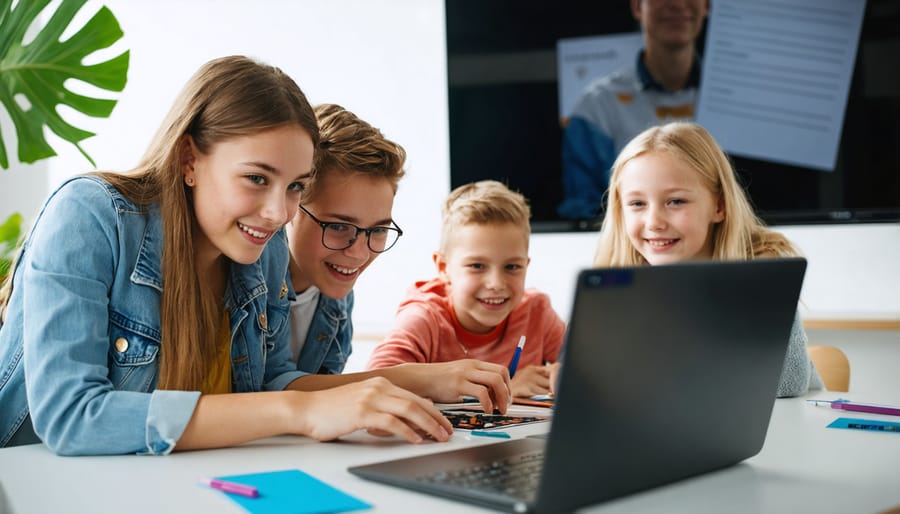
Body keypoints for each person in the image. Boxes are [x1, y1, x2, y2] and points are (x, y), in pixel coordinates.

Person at [0, 55, 454, 455]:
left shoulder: (265, 247)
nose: (279, 212)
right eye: (257, 178)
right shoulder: (91, 215)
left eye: (295, 185)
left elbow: (273, 379)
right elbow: (71, 416)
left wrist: (381, 392)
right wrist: (298, 410)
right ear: (189, 159)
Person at [282, 104, 511, 411]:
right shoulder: (250, 279)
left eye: (378, 230)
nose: (360, 253)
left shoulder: (336, 292)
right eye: (338, 227)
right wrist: (416, 378)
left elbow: (320, 400)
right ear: (289, 205)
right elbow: (266, 390)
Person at [590, 121, 823, 397]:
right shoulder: (617, 284)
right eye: (637, 204)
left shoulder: (762, 270)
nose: (653, 222)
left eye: (675, 201)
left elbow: (789, 381)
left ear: (719, 206)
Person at [367, 180, 566, 399]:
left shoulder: (536, 311)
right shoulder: (425, 318)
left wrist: (568, 373)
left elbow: (592, 367)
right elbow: (373, 384)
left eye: (512, 267)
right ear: (443, 267)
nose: (497, 283)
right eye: (477, 266)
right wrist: (505, 389)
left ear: (526, 266)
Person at [558, 0, 708, 220]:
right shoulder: (596, 107)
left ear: (708, 5)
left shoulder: (744, 101)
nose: (677, 3)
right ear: (638, 6)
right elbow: (583, 214)